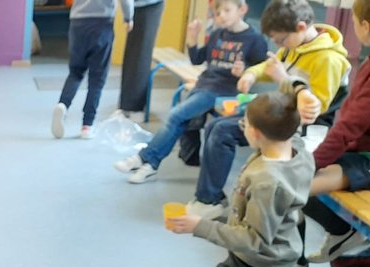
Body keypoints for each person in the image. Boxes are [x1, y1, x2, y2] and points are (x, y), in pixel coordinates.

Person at [167, 90, 311, 267]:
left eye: (244, 123)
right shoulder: (293, 144)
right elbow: (289, 115)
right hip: (239, 263)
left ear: (254, 134)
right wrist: (301, 91)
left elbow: (254, 240)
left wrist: (200, 226)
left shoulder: (268, 181)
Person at [189, 0, 348, 219]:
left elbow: (316, 108)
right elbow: (271, 64)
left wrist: (284, 79)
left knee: (222, 131)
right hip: (284, 114)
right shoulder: (296, 44)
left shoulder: (328, 59)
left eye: (280, 40)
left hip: (303, 127)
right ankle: (210, 198)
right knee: (216, 126)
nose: (279, 45)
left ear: (301, 27)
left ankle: (210, 199)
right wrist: (251, 74)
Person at [113, 0, 268, 184]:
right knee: (181, 119)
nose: (222, 16)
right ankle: (150, 165)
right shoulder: (218, 33)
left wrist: (244, 71)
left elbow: (260, 72)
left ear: (242, 9)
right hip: (204, 86)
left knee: (176, 115)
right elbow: (197, 60)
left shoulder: (255, 39)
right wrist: (192, 39)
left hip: (224, 92)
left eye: (227, 10)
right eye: (218, 13)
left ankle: (145, 158)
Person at [298, 0, 370, 263]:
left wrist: (312, 162)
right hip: (360, 150)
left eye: (354, 22)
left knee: (293, 184)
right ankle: (342, 230)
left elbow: (349, 127)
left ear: (366, 26)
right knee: (292, 176)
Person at [51, 0, 134, 139]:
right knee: (97, 78)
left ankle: (63, 104)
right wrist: (128, 17)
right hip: (102, 23)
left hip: (77, 23)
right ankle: (86, 125)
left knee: (75, 72)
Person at [119, 0, 167, 117]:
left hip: (149, 5)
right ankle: (128, 105)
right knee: (135, 55)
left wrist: (127, 16)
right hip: (140, 6)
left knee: (140, 55)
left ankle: (133, 107)